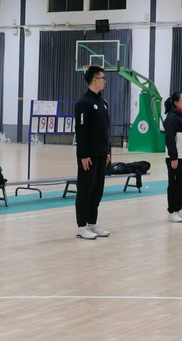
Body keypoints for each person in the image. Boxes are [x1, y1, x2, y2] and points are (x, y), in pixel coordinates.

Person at [74, 66, 111, 240]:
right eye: (102, 78)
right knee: (85, 190)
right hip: (88, 155)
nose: (105, 81)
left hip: (102, 154)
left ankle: (92, 224)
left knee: (97, 190)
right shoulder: (83, 103)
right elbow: (81, 131)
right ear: (93, 80)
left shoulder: (103, 103)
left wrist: (108, 151)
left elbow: (105, 130)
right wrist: (83, 154)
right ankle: (82, 227)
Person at [163, 92, 182, 222]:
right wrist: (174, 157)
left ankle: (178, 209)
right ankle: (171, 211)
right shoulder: (171, 118)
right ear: (176, 103)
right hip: (175, 158)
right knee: (174, 184)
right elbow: (170, 139)